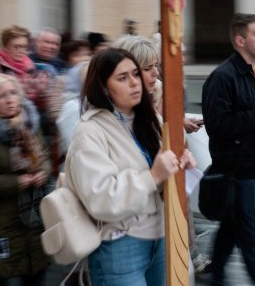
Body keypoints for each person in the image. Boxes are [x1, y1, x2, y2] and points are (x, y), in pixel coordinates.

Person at [64, 48, 197, 285]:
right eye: (122, 78)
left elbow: (165, 173)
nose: (135, 83)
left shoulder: (151, 120)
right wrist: (153, 176)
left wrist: (181, 163)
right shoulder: (90, 132)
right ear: (104, 87)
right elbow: (101, 199)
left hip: (162, 234)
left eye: (136, 74)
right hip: (121, 243)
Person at [201, 13, 255, 286]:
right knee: (251, 237)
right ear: (240, 40)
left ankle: (216, 275)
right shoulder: (222, 78)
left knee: (232, 225)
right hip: (237, 171)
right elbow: (217, 126)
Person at [0, 74, 51, 285]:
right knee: (8, 278)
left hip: (33, 217)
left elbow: (45, 158)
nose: (10, 99)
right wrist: (16, 183)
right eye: (2, 95)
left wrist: (44, 172)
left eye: (13, 93)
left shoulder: (29, 125)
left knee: (37, 274)